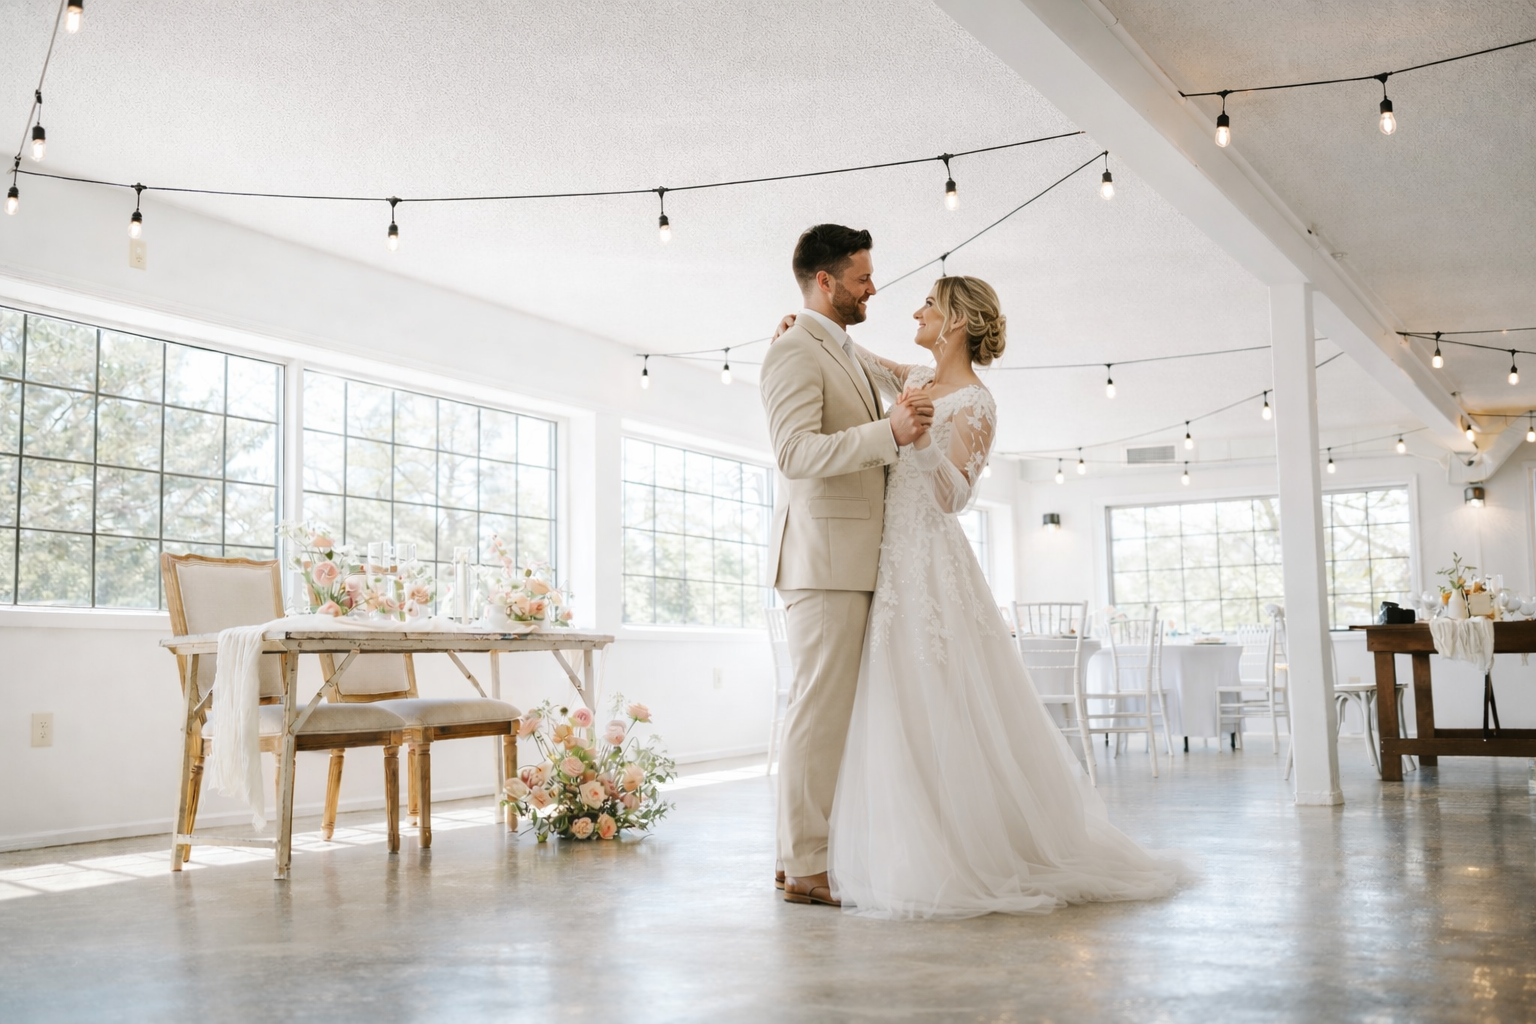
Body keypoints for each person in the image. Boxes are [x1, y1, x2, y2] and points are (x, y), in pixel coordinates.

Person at [774, 274, 1179, 920]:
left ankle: (957, 848)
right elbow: (863, 360)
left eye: (928, 305)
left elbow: (956, 497)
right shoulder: (911, 381)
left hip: (931, 565)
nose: (915, 310)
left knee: (940, 701)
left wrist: (926, 444)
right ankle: (847, 848)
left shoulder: (978, 403)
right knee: (883, 706)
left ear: (956, 320)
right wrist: (807, 331)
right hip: (887, 565)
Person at [758, 224, 935, 907]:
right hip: (824, 563)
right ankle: (805, 866)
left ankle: (795, 857)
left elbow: (912, 379)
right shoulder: (793, 354)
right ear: (826, 282)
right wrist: (887, 434)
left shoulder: (839, 348)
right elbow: (796, 454)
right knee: (818, 715)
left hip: (853, 560)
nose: (873, 287)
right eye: (862, 276)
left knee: (828, 714)